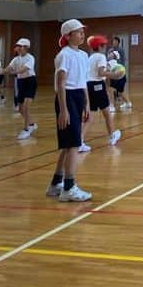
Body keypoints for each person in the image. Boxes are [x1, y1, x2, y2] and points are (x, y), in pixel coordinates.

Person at [48, 19, 92, 202]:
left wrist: (87, 103)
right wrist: (64, 110)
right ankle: (69, 187)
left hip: (78, 98)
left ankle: (56, 184)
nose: (82, 34)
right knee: (73, 145)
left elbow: (83, 82)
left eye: (83, 31)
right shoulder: (64, 55)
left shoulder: (83, 55)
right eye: (78, 32)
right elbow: (61, 83)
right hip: (66, 98)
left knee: (69, 145)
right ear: (68, 36)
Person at [86, 34, 121, 146]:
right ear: (100, 46)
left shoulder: (90, 57)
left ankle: (80, 140)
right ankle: (112, 136)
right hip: (98, 86)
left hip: (89, 85)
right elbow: (101, 73)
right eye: (104, 45)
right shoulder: (101, 57)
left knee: (91, 115)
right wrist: (113, 74)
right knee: (107, 113)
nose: (105, 47)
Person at [6, 37, 38, 139]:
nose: (18, 48)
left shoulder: (30, 58)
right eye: (18, 46)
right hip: (21, 82)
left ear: (26, 47)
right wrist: (0, 71)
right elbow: (8, 68)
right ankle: (32, 124)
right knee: (20, 109)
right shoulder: (16, 59)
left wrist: (12, 72)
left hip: (30, 82)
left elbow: (22, 70)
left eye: (21, 46)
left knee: (26, 107)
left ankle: (26, 130)